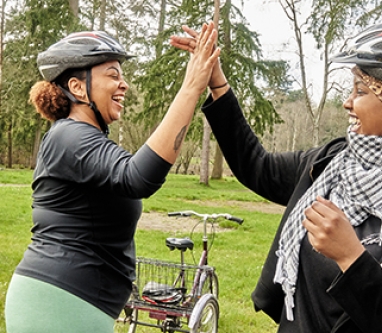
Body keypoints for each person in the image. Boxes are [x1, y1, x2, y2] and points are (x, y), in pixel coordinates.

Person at [171, 20, 382, 332]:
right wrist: (217, 82)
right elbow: (257, 167)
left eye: (361, 90)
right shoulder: (333, 164)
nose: (347, 103)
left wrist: (352, 260)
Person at [4, 23, 220, 333]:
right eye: (113, 75)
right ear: (78, 87)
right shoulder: (69, 137)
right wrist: (191, 88)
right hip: (60, 303)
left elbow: (132, 174)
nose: (124, 84)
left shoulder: (83, 139)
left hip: (77, 304)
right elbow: (138, 177)